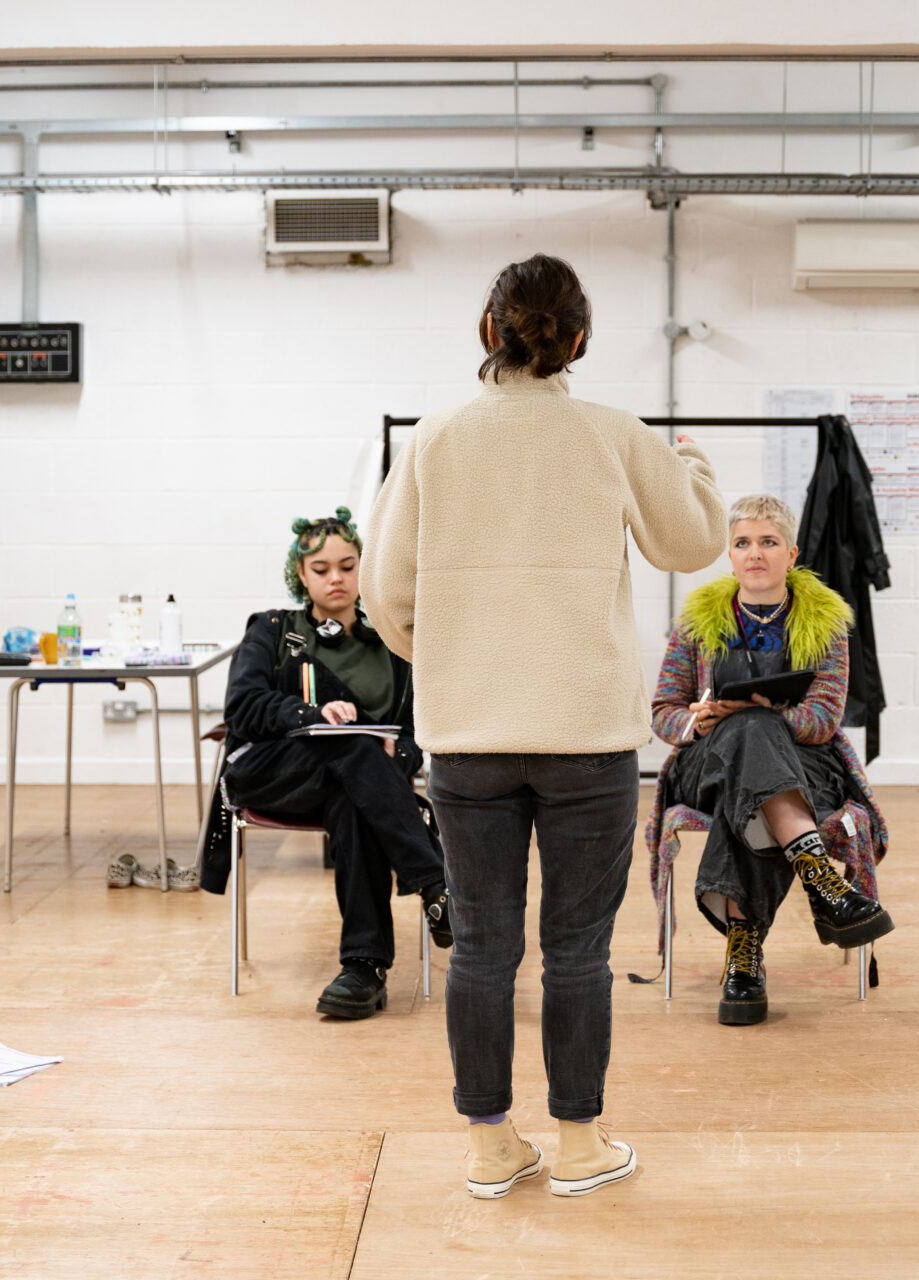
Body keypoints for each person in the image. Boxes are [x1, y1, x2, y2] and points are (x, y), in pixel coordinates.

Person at [362, 253, 726, 1199]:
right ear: (577, 341)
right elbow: (691, 541)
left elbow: (384, 593)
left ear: (490, 332)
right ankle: (581, 1144)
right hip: (587, 738)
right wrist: (693, 463)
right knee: (578, 949)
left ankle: (489, 1146)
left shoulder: (435, 439)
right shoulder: (614, 434)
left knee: (482, 944)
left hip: (468, 735)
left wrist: (443, 660)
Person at [649, 493, 893, 1027]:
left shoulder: (824, 623)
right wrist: (697, 720)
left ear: (792, 552)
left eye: (767, 542)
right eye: (742, 543)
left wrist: (766, 711)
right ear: (729, 556)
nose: (754, 553)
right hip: (707, 765)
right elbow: (663, 713)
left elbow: (824, 718)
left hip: (807, 767)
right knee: (743, 735)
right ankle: (819, 879)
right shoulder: (697, 624)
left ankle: (744, 957)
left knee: (754, 746)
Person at [206, 507, 453, 1020]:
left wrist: (400, 753)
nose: (336, 578)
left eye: (347, 565)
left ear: (364, 567)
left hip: (356, 783)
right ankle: (436, 883)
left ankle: (363, 967)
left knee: (354, 794)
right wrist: (308, 713)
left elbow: (413, 730)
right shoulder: (272, 631)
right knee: (352, 747)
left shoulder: (393, 640)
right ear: (300, 574)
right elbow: (242, 710)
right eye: (321, 569)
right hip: (271, 772)